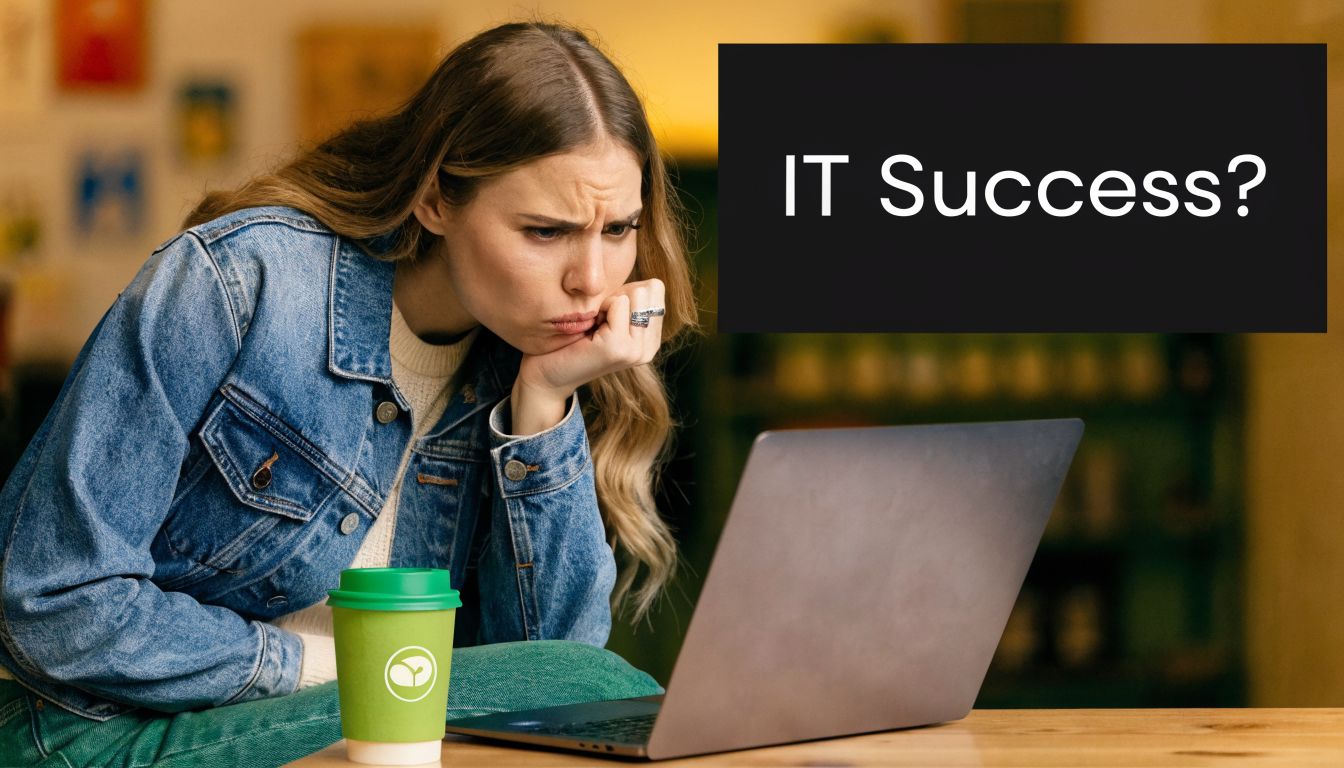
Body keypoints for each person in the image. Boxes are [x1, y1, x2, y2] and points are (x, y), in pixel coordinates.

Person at [0, 20, 697, 767]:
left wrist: (546, 402)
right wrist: (332, 674)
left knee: (586, 687)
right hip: (99, 732)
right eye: (545, 231)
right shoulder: (239, 284)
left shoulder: (532, 349)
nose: (592, 280)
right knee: (597, 683)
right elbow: (51, 601)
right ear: (435, 200)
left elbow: (546, 692)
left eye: (618, 227)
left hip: (367, 733)